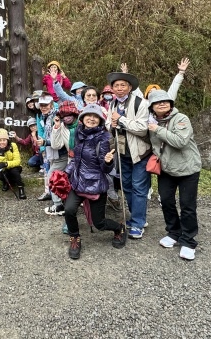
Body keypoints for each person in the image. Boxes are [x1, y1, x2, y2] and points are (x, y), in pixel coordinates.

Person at [64, 104, 126, 259]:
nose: (91, 119)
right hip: (78, 181)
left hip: (96, 184)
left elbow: (106, 170)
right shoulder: (79, 134)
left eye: (95, 116)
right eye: (88, 115)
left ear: (100, 120)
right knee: (69, 210)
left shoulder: (104, 139)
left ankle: (119, 228)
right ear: (82, 118)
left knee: (99, 223)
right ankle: (75, 238)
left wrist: (107, 162)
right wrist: (65, 174)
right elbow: (76, 159)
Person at [147, 89, 201, 260]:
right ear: (152, 107)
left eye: (166, 101)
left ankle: (188, 240)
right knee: (167, 201)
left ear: (171, 104)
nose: (162, 104)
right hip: (167, 170)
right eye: (157, 102)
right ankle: (174, 232)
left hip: (187, 169)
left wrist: (157, 130)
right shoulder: (151, 122)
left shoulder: (181, 119)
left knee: (187, 205)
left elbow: (180, 141)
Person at [106, 71, 150, 239]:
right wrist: (112, 124)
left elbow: (142, 127)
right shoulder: (112, 105)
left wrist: (122, 120)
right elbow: (109, 124)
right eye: (116, 85)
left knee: (139, 187)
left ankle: (138, 222)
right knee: (127, 186)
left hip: (140, 153)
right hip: (123, 152)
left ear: (130, 87)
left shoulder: (141, 103)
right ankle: (137, 217)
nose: (119, 88)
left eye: (123, 85)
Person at [45, 100, 80, 216]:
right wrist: (56, 127)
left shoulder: (82, 124)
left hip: (84, 160)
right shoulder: (63, 126)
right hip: (71, 159)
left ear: (74, 114)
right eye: (64, 116)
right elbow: (56, 145)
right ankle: (68, 214)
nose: (67, 118)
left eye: (69, 115)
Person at [0, 128, 26, 199]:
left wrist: (6, 164)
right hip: (4, 170)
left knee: (14, 171)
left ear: (7, 140)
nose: (2, 142)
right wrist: (1, 154)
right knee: (0, 174)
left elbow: (17, 161)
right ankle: (6, 182)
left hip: (15, 167)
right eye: (0, 140)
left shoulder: (13, 146)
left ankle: (21, 187)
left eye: (4, 140)